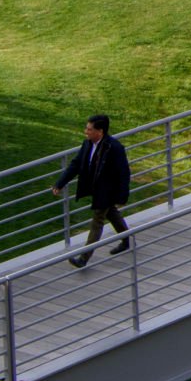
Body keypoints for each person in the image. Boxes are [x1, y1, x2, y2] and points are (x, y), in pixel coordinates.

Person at [54, 113, 132, 268]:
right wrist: (60, 183)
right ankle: (126, 239)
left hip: (107, 192)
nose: (86, 131)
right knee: (111, 214)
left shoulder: (115, 148)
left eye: (89, 129)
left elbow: (124, 173)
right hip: (97, 189)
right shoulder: (88, 144)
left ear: (100, 131)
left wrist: (122, 196)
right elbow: (75, 165)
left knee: (97, 221)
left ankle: (84, 258)